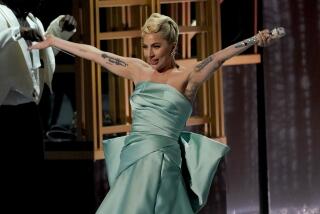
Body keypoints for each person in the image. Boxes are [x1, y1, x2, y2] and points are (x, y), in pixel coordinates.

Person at [29, 13, 283, 214]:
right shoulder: (137, 69)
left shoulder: (188, 76)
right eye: (146, 46)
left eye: (157, 46)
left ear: (172, 46)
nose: (150, 54)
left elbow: (217, 59)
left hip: (164, 161)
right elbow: (95, 54)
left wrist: (254, 40)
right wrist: (54, 41)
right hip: (134, 157)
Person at [0, 0, 77, 211]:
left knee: (33, 172)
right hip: (4, 109)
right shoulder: (2, 14)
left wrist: (60, 29)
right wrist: (18, 32)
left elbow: (44, 51)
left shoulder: (33, 19)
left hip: (30, 107)